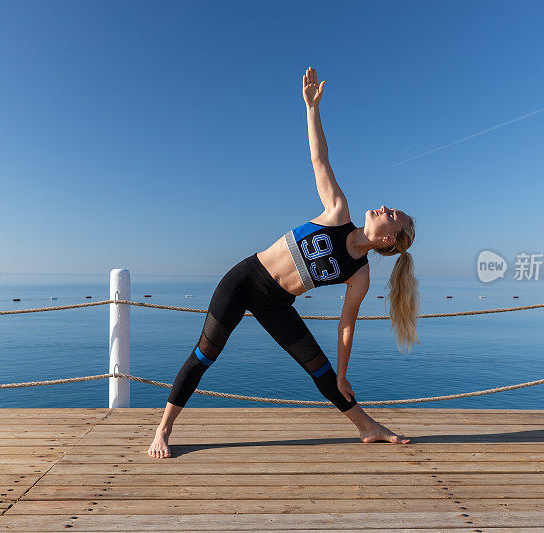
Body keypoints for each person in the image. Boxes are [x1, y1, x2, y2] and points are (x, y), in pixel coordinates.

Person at [149, 67, 419, 459]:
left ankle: (367, 428)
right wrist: (312, 109)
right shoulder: (337, 211)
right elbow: (319, 159)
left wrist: (343, 374)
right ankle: (163, 430)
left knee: (322, 371)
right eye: (390, 208)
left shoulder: (359, 274)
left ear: (389, 239)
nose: (384, 207)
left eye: (392, 214)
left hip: (277, 303)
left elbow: (346, 326)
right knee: (205, 354)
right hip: (244, 280)